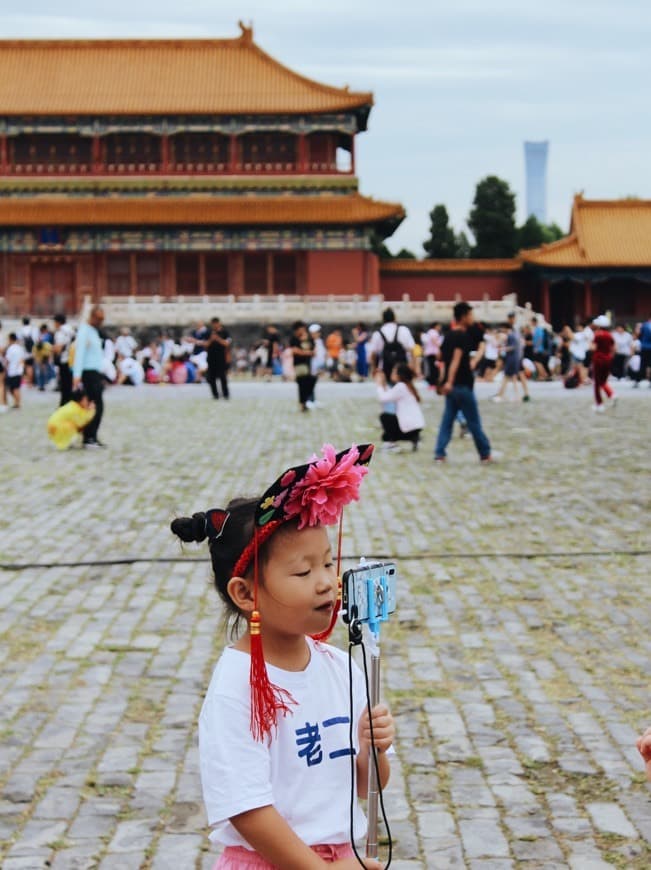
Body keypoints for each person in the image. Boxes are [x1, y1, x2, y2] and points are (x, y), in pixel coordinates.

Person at [170, 443, 391, 869]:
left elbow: (367, 786)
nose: (327, 582)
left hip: (344, 857)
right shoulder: (236, 687)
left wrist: (374, 749)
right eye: (304, 572)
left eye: (328, 564)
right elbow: (248, 809)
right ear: (247, 593)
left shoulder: (342, 667)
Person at [434, 302, 493, 463]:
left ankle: (439, 453)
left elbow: (442, 359)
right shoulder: (462, 336)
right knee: (474, 422)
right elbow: (455, 360)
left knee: (447, 421)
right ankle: (485, 453)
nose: (472, 318)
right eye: (470, 315)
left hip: (451, 388)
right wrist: (450, 381)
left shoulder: (448, 336)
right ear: (464, 317)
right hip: (462, 384)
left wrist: (442, 381)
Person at [72, 305, 107, 447]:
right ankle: (89, 437)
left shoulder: (94, 332)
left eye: (102, 319)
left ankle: (92, 435)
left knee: (96, 405)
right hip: (88, 373)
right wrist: (76, 375)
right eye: (98, 319)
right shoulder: (84, 331)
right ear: (91, 317)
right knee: (94, 406)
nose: (100, 322)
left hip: (96, 373)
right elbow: (79, 354)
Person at [374, 363, 425, 451]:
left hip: (408, 427)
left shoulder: (401, 386)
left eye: (394, 372)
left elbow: (383, 398)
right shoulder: (407, 386)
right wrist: (384, 383)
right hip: (415, 426)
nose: (392, 373)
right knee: (388, 423)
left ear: (399, 375)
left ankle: (391, 443)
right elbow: (390, 394)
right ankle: (413, 438)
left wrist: (379, 384)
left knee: (385, 417)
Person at [493, 313, 530, 402]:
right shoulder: (514, 330)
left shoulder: (515, 330)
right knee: (515, 375)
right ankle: (523, 394)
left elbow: (516, 344)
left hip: (515, 356)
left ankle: (520, 394)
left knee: (513, 375)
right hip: (516, 356)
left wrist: (503, 348)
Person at [368, 309, 415, 378]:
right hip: (403, 368)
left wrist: (373, 369)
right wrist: (413, 366)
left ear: (383, 319)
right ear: (395, 318)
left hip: (385, 368)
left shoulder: (378, 333)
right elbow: (412, 350)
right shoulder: (404, 330)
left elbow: (373, 355)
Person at [591, 315, 616, 412]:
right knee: (603, 381)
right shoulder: (610, 335)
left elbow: (593, 347)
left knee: (597, 382)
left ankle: (599, 404)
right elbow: (614, 348)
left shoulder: (597, 334)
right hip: (608, 359)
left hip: (598, 359)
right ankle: (611, 394)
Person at [290, 321, 316, 412]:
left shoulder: (309, 339)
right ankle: (302, 403)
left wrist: (306, 341)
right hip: (299, 364)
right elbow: (295, 351)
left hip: (308, 364)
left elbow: (313, 351)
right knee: (302, 384)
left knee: (311, 380)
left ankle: (305, 401)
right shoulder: (294, 339)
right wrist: (307, 352)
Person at [206, 317, 232, 400]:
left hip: (221, 358)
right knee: (211, 378)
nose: (214, 325)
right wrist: (211, 339)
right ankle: (215, 395)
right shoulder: (209, 332)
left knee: (222, 377)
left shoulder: (225, 332)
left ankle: (226, 395)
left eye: (216, 324)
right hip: (211, 358)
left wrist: (217, 339)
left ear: (219, 323)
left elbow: (227, 343)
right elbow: (205, 344)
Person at [52, 313, 74, 405]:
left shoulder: (61, 332)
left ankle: (64, 403)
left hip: (64, 359)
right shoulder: (71, 329)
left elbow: (59, 348)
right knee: (69, 383)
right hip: (72, 359)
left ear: (58, 322)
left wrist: (50, 348)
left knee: (65, 384)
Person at [4, 333, 26, 409]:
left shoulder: (10, 348)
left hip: (12, 371)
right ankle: (17, 402)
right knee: (16, 388)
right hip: (19, 370)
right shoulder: (19, 348)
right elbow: (22, 359)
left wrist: (5, 369)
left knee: (13, 388)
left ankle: (17, 403)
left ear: (10, 339)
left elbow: (7, 360)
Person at [639, 313, 651, 385]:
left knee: (643, 363)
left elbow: (640, 336)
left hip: (644, 347)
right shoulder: (645, 325)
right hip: (648, 347)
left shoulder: (644, 325)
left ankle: (639, 379)